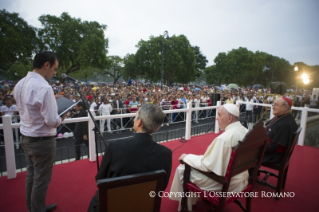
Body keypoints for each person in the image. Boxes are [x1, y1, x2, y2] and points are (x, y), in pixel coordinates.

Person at [88, 104, 172, 212]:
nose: (134, 120)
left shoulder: (114, 146)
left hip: (114, 204)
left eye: (136, 117)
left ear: (139, 122)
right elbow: (162, 186)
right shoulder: (166, 153)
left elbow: (100, 179)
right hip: (145, 205)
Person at [14, 51, 68, 212]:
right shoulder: (44, 87)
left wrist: (52, 101)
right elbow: (52, 121)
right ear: (46, 65)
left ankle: (33, 207)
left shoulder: (20, 84)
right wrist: (64, 114)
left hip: (26, 138)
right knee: (41, 180)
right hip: (42, 141)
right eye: (55, 68)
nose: (55, 73)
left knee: (31, 176)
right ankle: (38, 209)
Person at [169, 104, 249, 211]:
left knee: (182, 169)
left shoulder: (223, 139)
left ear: (229, 118)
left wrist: (186, 157)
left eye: (219, 115)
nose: (217, 118)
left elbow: (206, 165)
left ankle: (185, 206)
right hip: (242, 178)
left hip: (226, 184)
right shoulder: (246, 131)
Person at [262, 97, 298, 164]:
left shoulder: (285, 124)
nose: (273, 107)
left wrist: (257, 145)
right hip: (272, 151)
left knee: (247, 153)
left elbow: (274, 146)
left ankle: (251, 173)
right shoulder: (281, 117)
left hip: (273, 156)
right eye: (273, 104)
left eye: (276, 105)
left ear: (286, 107)